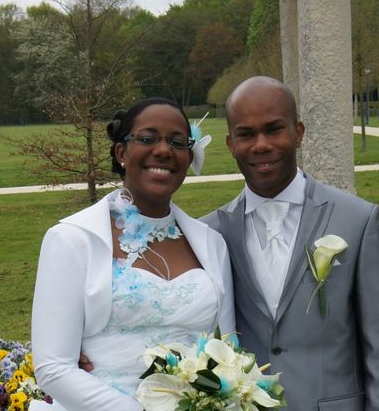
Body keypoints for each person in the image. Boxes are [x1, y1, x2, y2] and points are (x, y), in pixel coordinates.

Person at [201, 76, 379, 411]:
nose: (261, 144)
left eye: (274, 129)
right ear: (229, 144)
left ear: (298, 133)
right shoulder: (210, 234)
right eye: (246, 134)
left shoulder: (356, 220)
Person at [31, 97, 235, 410]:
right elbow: (53, 369)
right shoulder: (72, 240)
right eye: (147, 138)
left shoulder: (211, 243)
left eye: (177, 141)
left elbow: (230, 352)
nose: (164, 150)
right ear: (122, 152)